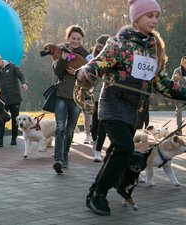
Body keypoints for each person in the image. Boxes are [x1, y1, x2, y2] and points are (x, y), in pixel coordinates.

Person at [77, 0, 186, 216]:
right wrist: (85, 71)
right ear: (136, 18)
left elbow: (161, 83)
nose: (155, 20)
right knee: (125, 148)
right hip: (112, 104)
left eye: (157, 15)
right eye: (149, 16)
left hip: (134, 109)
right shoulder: (118, 44)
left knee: (118, 152)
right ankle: (98, 194)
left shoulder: (155, 48)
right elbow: (97, 64)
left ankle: (104, 188)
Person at [52, 25, 89, 174]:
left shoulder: (87, 55)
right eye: (73, 38)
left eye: (78, 39)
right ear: (68, 38)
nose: (75, 41)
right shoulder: (61, 50)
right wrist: (63, 59)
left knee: (69, 131)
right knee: (60, 127)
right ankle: (58, 160)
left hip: (77, 97)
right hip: (61, 95)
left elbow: (93, 78)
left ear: (82, 40)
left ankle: (65, 156)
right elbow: (57, 71)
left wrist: (77, 73)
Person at [0, 53, 28, 147]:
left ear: (0, 59)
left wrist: (24, 83)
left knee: (15, 119)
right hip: (3, 101)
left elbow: (21, 75)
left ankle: (14, 139)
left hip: (15, 98)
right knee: (1, 119)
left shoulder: (12, 66)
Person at [89, 35, 110, 162]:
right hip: (95, 96)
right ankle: (95, 142)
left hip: (107, 97)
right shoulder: (92, 60)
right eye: (98, 47)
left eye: (102, 47)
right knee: (94, 125)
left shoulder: (111, 59)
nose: (99, 49)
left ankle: (98, 151)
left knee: (102, 125)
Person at [171, 56, 186, 135]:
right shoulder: (177, 70)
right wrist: (176, 79)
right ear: (181, 63)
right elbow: (172, 81)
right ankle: (179, 130)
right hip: (180, 94)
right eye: (185, 62)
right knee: (179, 112)